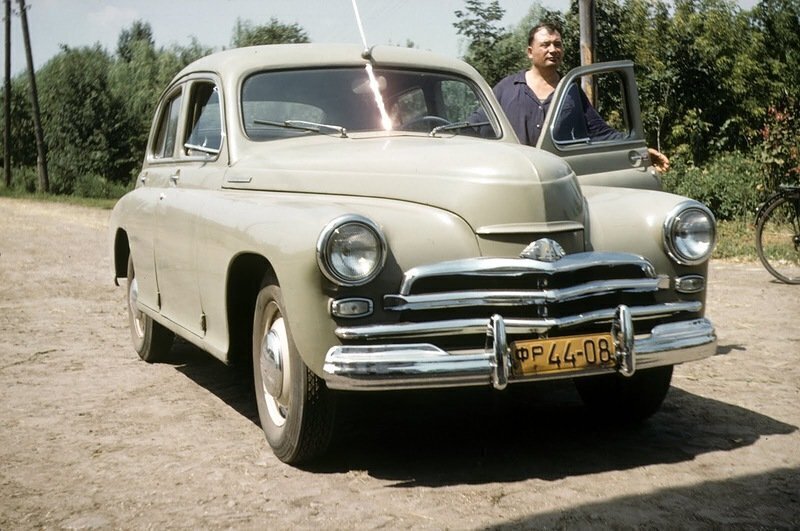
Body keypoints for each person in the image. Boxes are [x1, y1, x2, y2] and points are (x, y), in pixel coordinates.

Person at [493, 22, 670, 173]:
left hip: (559, 180)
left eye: (557, 44)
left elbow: (601, 133)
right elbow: (478, 128)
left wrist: (641, 152)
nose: (553, 50)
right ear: (530, 52)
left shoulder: (571, 91)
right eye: (545, 44)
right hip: (514, 177)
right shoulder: (506, 88)